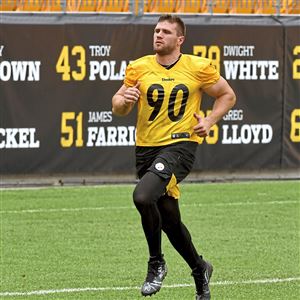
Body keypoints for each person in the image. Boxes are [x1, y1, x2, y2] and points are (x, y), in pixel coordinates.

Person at [112, 14, 236, 300]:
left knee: (143, 197)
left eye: (166, 32)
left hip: (180, 147)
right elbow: (118, 105)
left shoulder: (197, 66)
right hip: (146, 149)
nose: (158, 35)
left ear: (180, 39)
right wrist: (123, 100)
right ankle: (199, 268)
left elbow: (227, 95)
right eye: (156, 30)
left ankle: (156, 263)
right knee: (169, 219)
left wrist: (210, 120)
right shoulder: (138, 67)